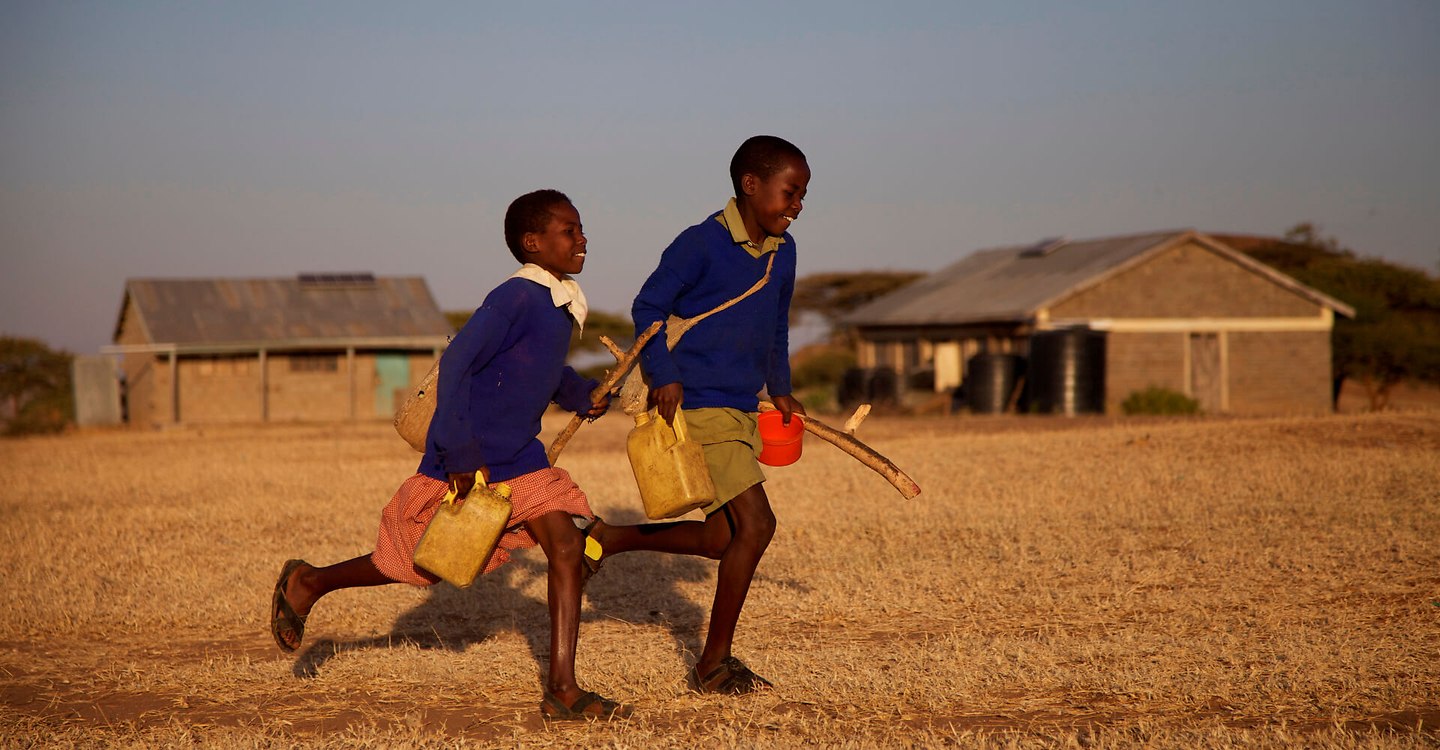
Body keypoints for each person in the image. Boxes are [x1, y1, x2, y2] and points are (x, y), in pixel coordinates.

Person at [269, 189, 633, 721]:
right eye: (569, 230)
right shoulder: (516, 297)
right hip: (470, 455)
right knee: (421, 563)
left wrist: (581, 394)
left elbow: (540, 371)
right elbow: (459, 362)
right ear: (533, 243)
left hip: (521, 457)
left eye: (581, 229)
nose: (582, 239)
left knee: (566, 550)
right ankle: (310, 581)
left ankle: (562, 689)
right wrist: (460, 451)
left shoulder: (558, 304)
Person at [590, 135, 810, 695]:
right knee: (758, 527)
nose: (797, 205)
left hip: (740, 408)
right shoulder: (700, 243)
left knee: (720, 538)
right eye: (790, 192)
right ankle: (713, 663)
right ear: (750, 185)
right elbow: (648, 307)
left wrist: (780, 388)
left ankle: (608, 539)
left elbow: (777, 326)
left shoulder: (783, 254)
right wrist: (663, 374)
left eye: (804, 195)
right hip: (700, 407)